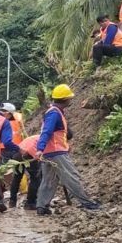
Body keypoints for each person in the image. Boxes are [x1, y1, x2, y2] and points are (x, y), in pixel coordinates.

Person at [36, 84, 101, 215]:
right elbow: (47, 132)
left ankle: (41, 207)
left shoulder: (53, 112)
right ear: (65, 99)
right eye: (70, 98)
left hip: (49, 152)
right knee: (71, 176)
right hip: (56, 152)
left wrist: (42, 149)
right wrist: (39, 148)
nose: (71, 100)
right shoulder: (54, 113)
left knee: (49, 180)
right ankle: (87, 202)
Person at [9, 134, 41, 210]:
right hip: (29, 153)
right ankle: (30, 203)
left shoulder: (37, 136)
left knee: (17, 177)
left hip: (18, 152)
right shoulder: (49, 139)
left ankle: (12, 201)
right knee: (35, 178)